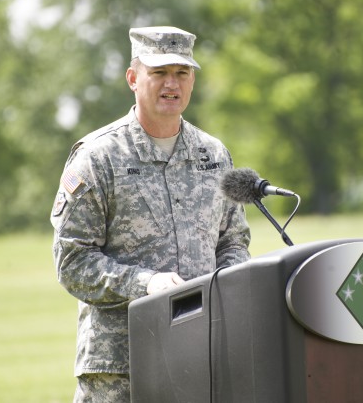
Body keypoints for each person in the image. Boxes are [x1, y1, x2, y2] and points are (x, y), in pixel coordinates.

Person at [50, 26, 251, 402]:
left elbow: (233, 240)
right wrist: (145, 284)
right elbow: (72, 262)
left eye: (182, 73)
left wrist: (228, 283)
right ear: (133, 78)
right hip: (121, 367)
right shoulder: (98, 157)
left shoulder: (214, 155)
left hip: (202, 356)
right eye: (159, 73)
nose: (171, 84)